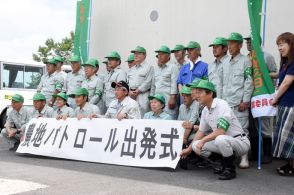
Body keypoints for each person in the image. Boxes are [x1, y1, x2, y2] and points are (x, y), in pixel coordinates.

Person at [181, 80, 250, 180]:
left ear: (210, 94)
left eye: (200, 92)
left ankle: (230, 170)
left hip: (240, 142)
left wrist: (204, 141)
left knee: (220, 138)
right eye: (196, 92)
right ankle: (221, 163)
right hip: (223, 143)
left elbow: (221, 131)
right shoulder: (205, 110)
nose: (197, 95)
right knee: (196, 145)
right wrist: (188, 149)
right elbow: (200, 132)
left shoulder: (222, 104)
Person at [221, 32, 254, 169]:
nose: (229, 46)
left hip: (239, 103)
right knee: (227, 130)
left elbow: (249, 81)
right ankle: (231, 156)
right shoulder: (225, 62)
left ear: (240, 45)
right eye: (228, 43)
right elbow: (222, 84)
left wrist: (245, 100)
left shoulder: (245, 61)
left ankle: (244, 157)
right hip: (227, 103)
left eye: (232, 43)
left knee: (242, 130)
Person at [244, 35, 278, 164]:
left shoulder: (267, 57)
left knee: (265, 126)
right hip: (250, 96)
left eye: (250, 41)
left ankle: (268, 153)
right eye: (246, 41)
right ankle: (255, 152)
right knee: (252, 126)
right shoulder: (246, 59)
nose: (248, 43)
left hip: (263, 96)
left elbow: (276, 73)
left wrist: (264, 73)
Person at [272, 32, 294, 176]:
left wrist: (275, 98)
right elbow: (281, 77)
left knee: (291, 137)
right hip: (285, 104)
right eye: (278, 45)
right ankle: (291, 164)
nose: (280, 48)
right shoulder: (286, 62)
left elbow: (286, 82)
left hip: (291, 105)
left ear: (291, 44)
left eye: (282, 44)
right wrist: (267, 74)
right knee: (288, 138)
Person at [151, 45, 179, 119]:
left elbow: (174, 83)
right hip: (157, 101)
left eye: (162, 54)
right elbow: (153, 85)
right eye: (158, 54)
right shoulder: (156, 69)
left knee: (169, 119)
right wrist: (151, 99)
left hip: (168, 99)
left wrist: (172, 98)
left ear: (168, 56)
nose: (159, 56)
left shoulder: (173, 67)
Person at [128, 46, 154, 117]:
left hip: (143, 94)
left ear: (144, 55)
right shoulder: (131, 69)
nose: (136, 55)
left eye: (138, 53)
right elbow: (127, 82)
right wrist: (129, 91)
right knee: (131, 114)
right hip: (131, 95)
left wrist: (138, 90)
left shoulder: (149, 67)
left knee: (142, 115)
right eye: (135, 53)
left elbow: (148, 82)